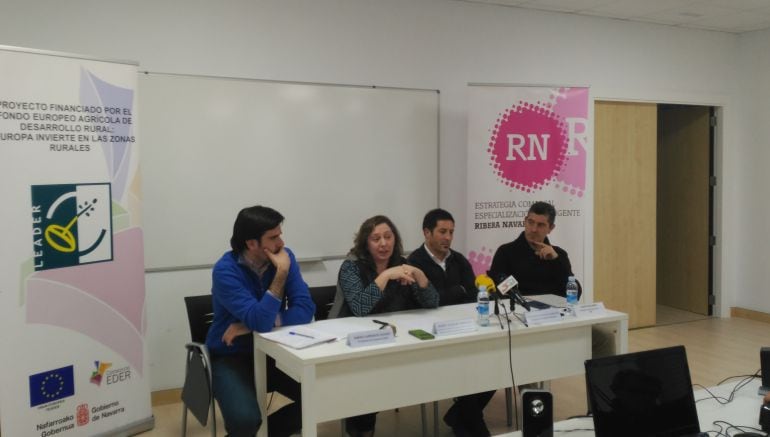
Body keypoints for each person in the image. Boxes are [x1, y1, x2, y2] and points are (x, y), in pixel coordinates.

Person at [205, 205, 315, 437]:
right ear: (251, 243)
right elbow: (260, 320)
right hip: (230, 356)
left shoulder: (286, 257)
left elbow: (305, 308)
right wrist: (281, 275)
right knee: (245, 421)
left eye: (280, 234)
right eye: (273, 237)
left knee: (318, 397)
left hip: (274, 353)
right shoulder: (226, 271)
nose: (281, 243)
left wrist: (248, 327)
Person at [329, 215, 439, 437]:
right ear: (365, 243)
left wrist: (419, 275)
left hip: (392, 340)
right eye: (376, 238)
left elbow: (432, 302)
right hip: (350, 341)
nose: (383, 244)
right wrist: (387, 275)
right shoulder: (351, 266)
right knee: (368, 377)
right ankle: (361, 429)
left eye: (388, 237)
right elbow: (360, 307)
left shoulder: (402, 263)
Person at [408, 208, 494, 437]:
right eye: (442, 231)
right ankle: (471, 423)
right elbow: (425, 302)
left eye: (451, 232)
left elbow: (472, 294)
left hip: (465, 329)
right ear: (427, 232)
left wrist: (455, 293)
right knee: (466, 368)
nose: (448, 237)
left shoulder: (458, 260)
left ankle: (460, 415)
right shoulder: (414, 263)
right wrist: (457, 291)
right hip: (432, 334)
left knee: (495, 366)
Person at [488, 201, 579, 298]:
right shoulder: (505, 252)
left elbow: (575, 294)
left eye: (540, 225)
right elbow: (497, 291)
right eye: (531, 222)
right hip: (518, 311)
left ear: (551, 228)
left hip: (552, 312)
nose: (534, 229)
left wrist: (556, 261)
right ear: (525, 221)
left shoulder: (559, 255)